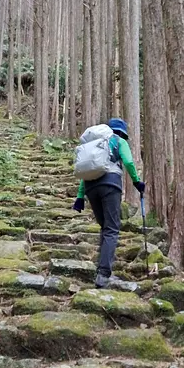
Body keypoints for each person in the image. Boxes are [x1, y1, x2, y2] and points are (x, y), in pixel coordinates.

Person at [72, 118, 145, 288]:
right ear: (122, 132)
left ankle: (101, 270)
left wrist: (80, 197)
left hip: (91, 188)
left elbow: (88, 172)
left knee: (105, 227)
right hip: (110, 186)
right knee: (112, 229)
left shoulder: (96, 143)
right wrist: (136, 181)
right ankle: (104, 275)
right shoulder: (119, 141)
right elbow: (128, 161)